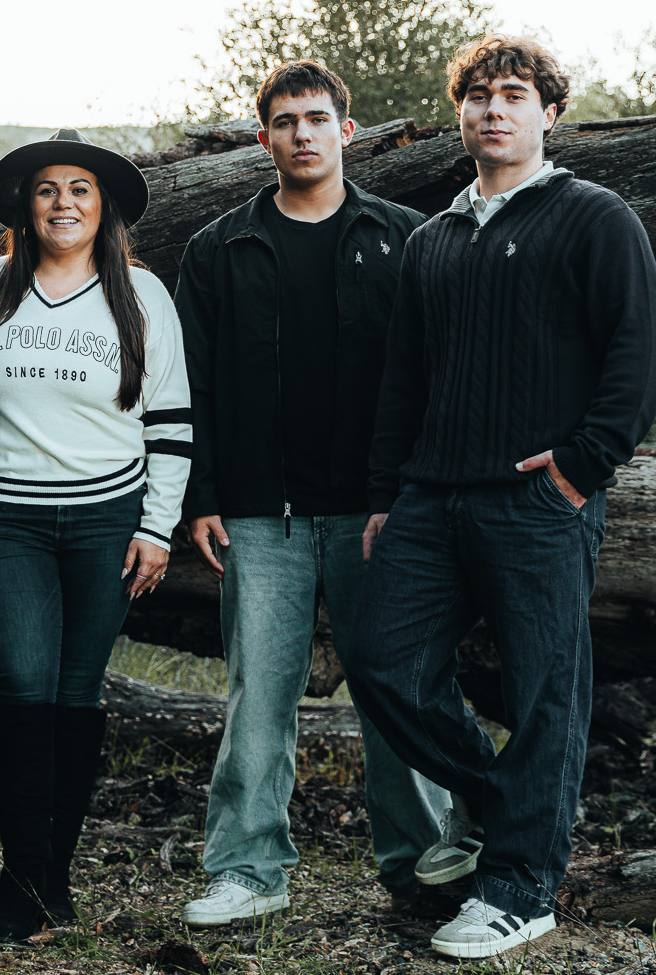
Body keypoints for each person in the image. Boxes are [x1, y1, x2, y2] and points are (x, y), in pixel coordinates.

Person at [346, 35, 656, 960]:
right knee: (381, 663)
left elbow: (638, 352)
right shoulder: (432, 239)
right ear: (461, 112)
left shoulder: (595, 217)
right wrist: (386, 491)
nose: (494, 109)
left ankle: (521, 888)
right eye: (479, 94)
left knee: (544, 694)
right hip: (430, 497)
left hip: (538, 501)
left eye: (515, 94)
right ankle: (500, 804)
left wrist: (580, 468)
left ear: (549, 113)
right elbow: (405, 378)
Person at [171, 60, 453, 926]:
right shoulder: (219, 249)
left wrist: (415, 496)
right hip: (262, 513)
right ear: (263, 138)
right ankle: (248, 870)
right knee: (259, 692)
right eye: (286, 121)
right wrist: (201, 494)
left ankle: (423, 868)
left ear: (347, 131)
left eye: (318, 118)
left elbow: (436, 375)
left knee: (395, 687)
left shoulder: (407, 238)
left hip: (380, 511)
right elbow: (192, 384)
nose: (303, 133)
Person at [0, 131, 192, 942]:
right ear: (25, 206)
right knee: (23, 684)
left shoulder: (141, 293)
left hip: (107, 517)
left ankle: (51, 879)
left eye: (80, 189)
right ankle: (22, 878)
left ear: (104, 207)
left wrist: (158, 526)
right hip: (6, 515)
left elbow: (171, 421)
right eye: (47, 189)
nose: (63, 203)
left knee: (77, 690)